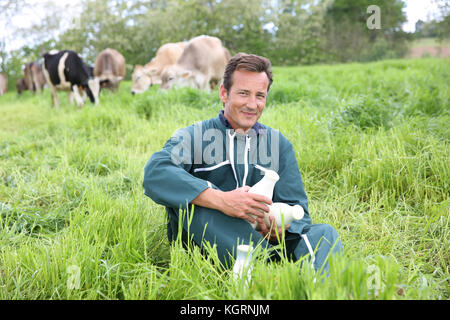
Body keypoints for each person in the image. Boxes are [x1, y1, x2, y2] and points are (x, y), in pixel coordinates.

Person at [143, 53, 342, 272]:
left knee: (324, 234)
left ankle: (319, 287)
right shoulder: (194, 136)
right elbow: (156, 172)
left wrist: (280, 228)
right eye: (243, 93)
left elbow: (298, 208)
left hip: (267, 243)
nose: (252, 104)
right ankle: (260, 271)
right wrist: (221, 200)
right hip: (211, 246)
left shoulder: (278, 144)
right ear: (224, 93)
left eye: (260, 95)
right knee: (195, 205)